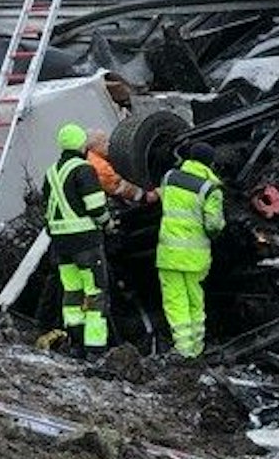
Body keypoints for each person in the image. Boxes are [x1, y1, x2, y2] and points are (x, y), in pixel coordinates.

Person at [151, 140, 224, 358]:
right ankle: (196, 348)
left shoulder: (169, 178)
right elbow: (214, 225)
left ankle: (183, 350)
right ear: (210, 163)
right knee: (195, 301)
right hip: (195, 257)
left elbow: (163, 201)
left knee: (175, 302)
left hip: (169, 255)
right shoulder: (211, 189)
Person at [44, 122, 113, 353]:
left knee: (72, 293)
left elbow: (46, 208)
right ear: (83, 146)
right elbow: (95, 207)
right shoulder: (84, 169)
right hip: (85, 243)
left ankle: (76, 344)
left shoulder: (51, 172)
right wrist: (108, 223)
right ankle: (96, 348)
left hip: (60, 245)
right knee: (95, 294)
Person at [85, 129, 140, 205]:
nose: (109, 144)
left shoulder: (94, 158)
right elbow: (119, 189)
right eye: (104, 142)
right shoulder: (100, 166)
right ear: (94, 146)